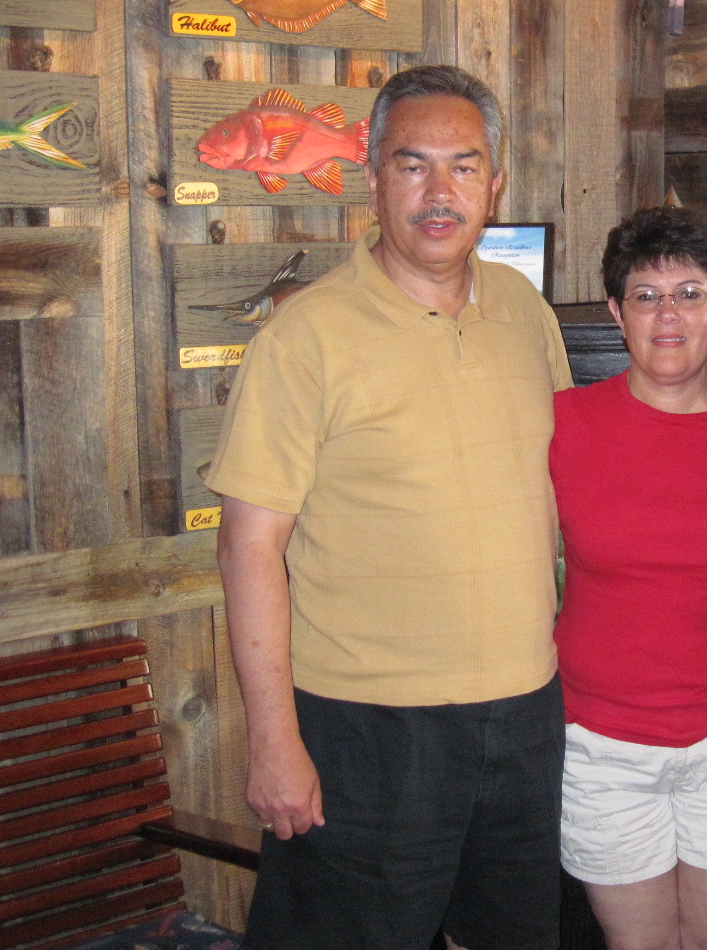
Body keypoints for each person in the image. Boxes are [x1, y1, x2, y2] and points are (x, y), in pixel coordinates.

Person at [207, 65, 573, 950]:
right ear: (372, 180)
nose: (439, 192)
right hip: (365, 731)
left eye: (463, 166)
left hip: (526, 717)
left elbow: (581, 474)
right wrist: (274, 741)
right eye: (413, 165)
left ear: (495, 183)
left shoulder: (525, 312)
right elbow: (248, 547)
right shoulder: (305, 337)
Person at [549, 207, 707, 950]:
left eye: (690, 294)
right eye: (646, 296)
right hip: (601, 744)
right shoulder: (562, 424)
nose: (668, 315)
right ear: (617, 312)